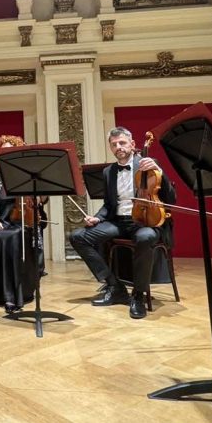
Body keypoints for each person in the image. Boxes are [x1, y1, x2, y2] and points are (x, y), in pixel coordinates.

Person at [69, 126, 176, 320]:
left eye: (122, 142)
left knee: (145, 237)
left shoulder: (148, 164)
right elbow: (109, 205)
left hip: (145, 222)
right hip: (118, 222)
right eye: (114, 144)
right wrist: (97, 218)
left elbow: (171, 198)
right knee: (77, 236)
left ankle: (138, 295)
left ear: (132, 144)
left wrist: (158, 170)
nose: (118, 147)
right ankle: (114, 285)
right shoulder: (108, 171)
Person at [0, 136, 46, 313]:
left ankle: (13, 295)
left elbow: (39, 200)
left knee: (14, 237)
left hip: (23, 224)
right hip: (2, 223)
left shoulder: (27, 175)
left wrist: (35, 191)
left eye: (10, 150)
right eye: (2, 150)